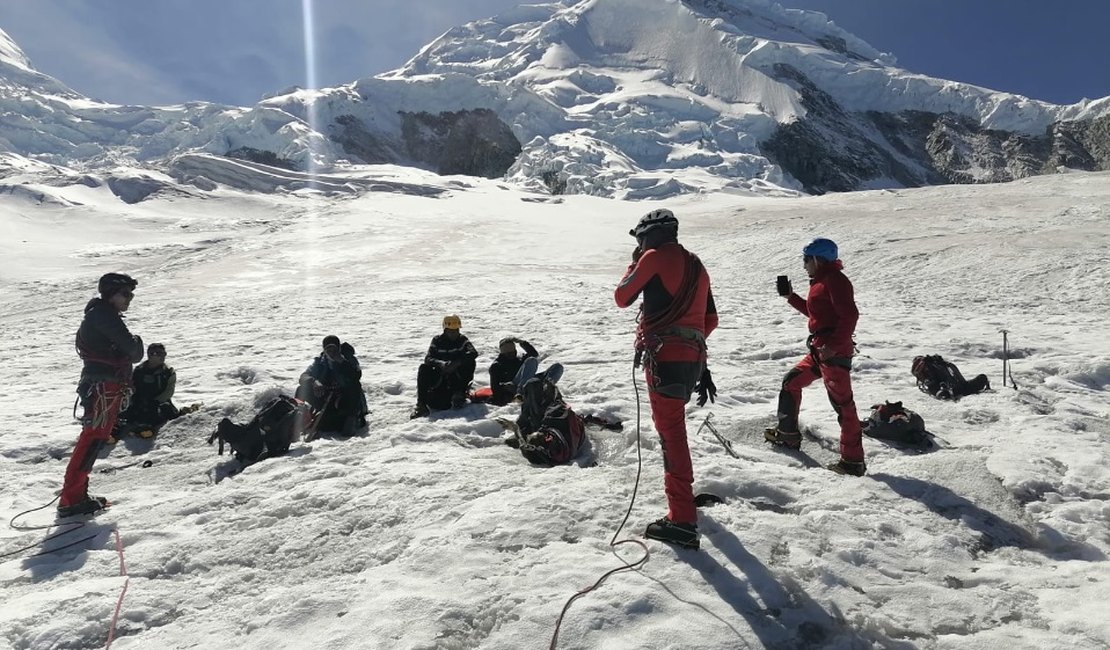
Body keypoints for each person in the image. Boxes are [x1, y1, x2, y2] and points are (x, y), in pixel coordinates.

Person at [614, 208, 718, 550]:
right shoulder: (697, 265)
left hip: (665, 360)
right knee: (675, 431)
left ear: (649, 235)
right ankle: (683, 504)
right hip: (692, 361)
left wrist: (635, 263)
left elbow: (622, 297)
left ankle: (682, 519)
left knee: (671, 435)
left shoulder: (654, 257)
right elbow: (711, 319)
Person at [765, 238, 866, 476]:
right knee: (791, 382)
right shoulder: (822, 281)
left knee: (844, 406)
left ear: (817, 259)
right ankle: (788, 435)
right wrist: (791, 297)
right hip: (821, 352)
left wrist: (832, 346)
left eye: (806, 260)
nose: (803, 265)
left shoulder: (835, 281)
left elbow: (850, 316)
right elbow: (817, 315)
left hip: (832, 354)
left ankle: (852, 462)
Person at [60, 272, 144, 517]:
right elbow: (134, 351)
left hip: (101, 386)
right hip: (104, 387)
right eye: (125, 294)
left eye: (131, 294)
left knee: (93, 438)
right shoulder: (103, 316)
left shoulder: (99, 315)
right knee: (93, 439)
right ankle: (72, 499)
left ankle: (75, 495)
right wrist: (137, 341)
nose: (129, 299)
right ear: (110, 294)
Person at [296, 335, 367, 435]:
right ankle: (300, 419)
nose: (331, 352)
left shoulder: (348, 359)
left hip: (346, 400)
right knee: (301, 389)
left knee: (354, 386)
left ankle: (351, 420)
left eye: (334, 349)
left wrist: (342, 363)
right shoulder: (320, 362)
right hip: (326, 398)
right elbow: (304, 376)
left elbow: (356, 376)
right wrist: (314, 382)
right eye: (328, 349)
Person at [410, 315, 479, 418]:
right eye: (451, 331)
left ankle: (460, 392)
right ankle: (421, 405)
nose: (454, 334)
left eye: (456, 331)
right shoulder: (437, 341)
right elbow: (428, 358)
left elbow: (473, 353)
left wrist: (456, 363)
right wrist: (441, 364)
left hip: (457, 377)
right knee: (424, 368)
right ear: (445, 330)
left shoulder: (462, 340)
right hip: (441, 377)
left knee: (470, 362)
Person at [115, 342, 178, 440]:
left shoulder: (168, 372)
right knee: (128, 413)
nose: (162, 357)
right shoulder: (139, 371)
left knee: (162, 411)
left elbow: (169, 391)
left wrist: (156, 401)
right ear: (150, 355)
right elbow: (131, 387)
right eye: (158, 354)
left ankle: (147, 428)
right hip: (140, 401)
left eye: (163, 354)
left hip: (158, 402)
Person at [488, 337, 539, 406]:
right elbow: (495, 387)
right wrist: (504, 386)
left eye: (513, 352)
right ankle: (520, 394)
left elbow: (534, 354)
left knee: (556, 367)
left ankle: (545, 388)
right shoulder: (497, 365)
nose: (512, 355)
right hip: (513, 387)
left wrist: (522, 342)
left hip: (527, 384)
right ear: (503, 353)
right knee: (531, 360)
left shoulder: (519, 360)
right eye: (509, 353)